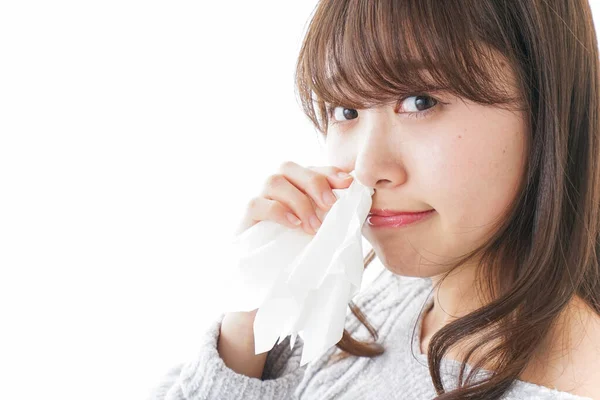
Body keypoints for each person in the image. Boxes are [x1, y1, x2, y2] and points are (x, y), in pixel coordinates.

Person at [148, 0, 600, 399]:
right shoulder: (382, 299)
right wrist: (247, 330)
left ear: (546, 105)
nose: (365, 169)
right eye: (345, 111)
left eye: (420, 101)